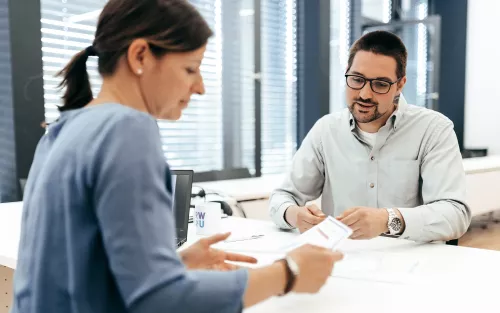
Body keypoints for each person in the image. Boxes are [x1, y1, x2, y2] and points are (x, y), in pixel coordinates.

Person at [11, 1, 343, 312]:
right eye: (190, 69)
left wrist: (174, 266)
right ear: (140, 55)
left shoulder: (60, 131)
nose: (200, 87)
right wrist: (288, 273)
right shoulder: (126, 129)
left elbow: (73, 278)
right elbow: (160, 300)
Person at [269, 30, 471, 243]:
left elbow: (455, 214)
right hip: (341, 261)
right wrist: (294, 215)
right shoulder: (326, 130)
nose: (365, 94)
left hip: (410, 263)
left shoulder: (433, 129)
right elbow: (282, 197)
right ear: (347, 72)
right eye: (357, 79)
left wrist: (388, 220)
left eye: (380, 84)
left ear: (400, 85)